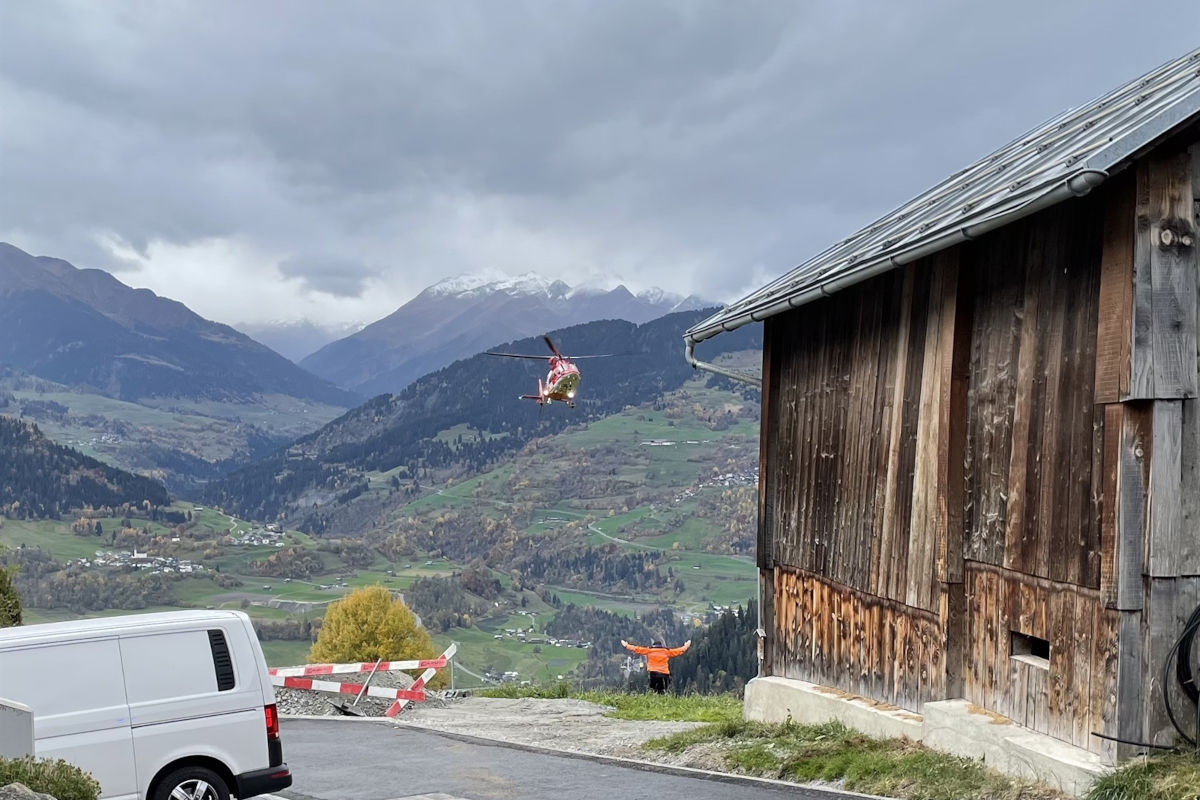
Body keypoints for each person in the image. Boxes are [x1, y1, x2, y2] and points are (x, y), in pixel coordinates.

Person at [621, 637, 691, 694]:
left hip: (653, 673)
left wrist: (626, 645)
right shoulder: (667, 652)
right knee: (663, 690)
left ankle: (654, 701)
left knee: (653, 690)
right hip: (664, 674)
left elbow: (637, 649)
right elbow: (679, 651)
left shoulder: (649, 650)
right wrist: (686, 646)